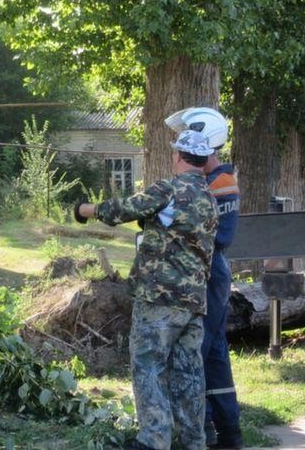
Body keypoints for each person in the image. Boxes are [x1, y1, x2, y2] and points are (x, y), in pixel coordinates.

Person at [74, 130, 218, 450]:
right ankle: (194, 441)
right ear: (204, 160)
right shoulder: (208, 198)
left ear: (179, 157)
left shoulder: (169, 189)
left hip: (160, 298)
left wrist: (84, 210)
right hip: (193, 301)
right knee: (189, 374)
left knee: (149, 365)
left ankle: (154, 441)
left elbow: (124, 209)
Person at [165, 107, 243, 449]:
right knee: (213, 355)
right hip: (209, 274)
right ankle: (227, 434)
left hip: (209, 276)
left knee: (197, 353)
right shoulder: (213, 182)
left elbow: (216, 237)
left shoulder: (220, 183)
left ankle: (209, 431)